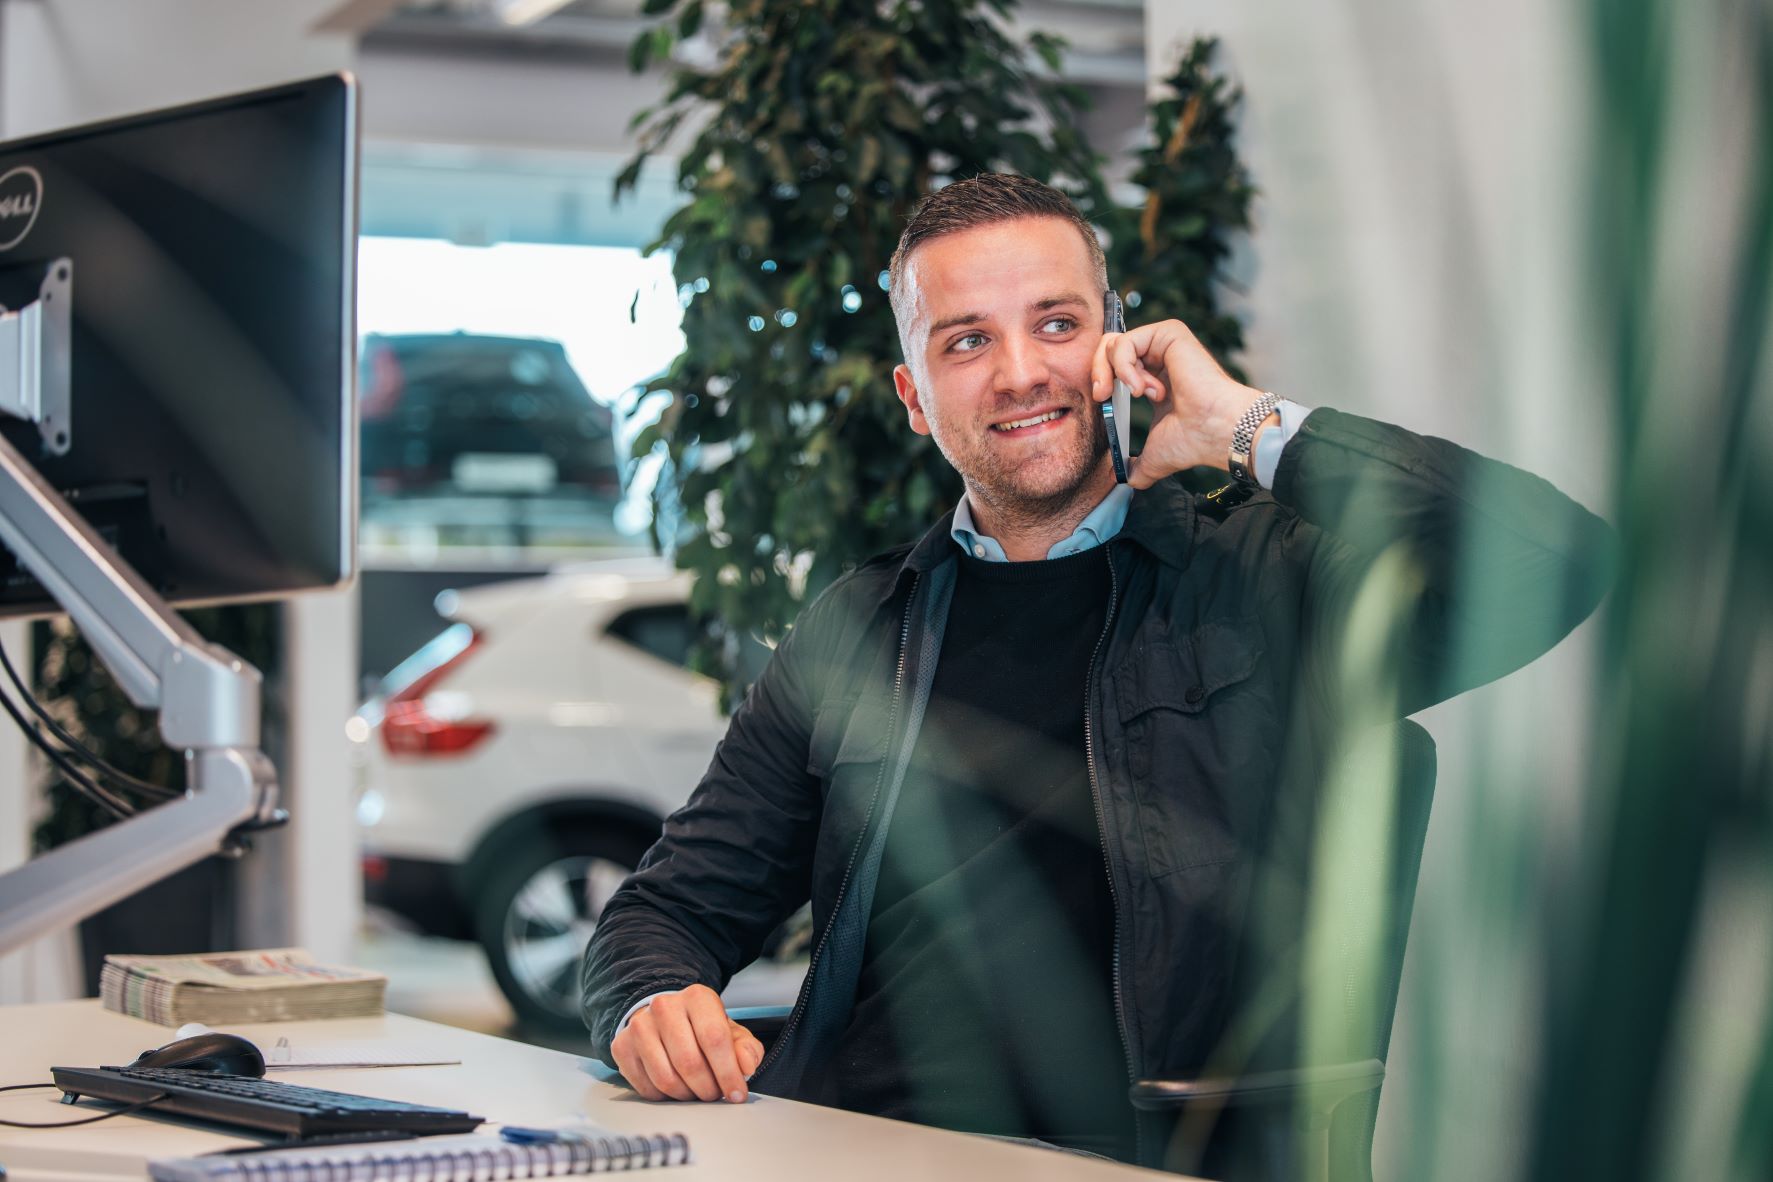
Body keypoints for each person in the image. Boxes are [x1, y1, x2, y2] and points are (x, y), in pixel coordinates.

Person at [581, 174, 1613, 1169]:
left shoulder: (1264, 580)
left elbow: (1552, 563)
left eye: (1057, 323)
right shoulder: (859, 625)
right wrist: (652, 999)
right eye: (968, 340)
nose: (1021, 370)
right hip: (854, 1143)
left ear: (1116, 340)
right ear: (914, 394)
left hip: (1128, 1155)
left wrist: (1246, 428)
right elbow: (662, 915)